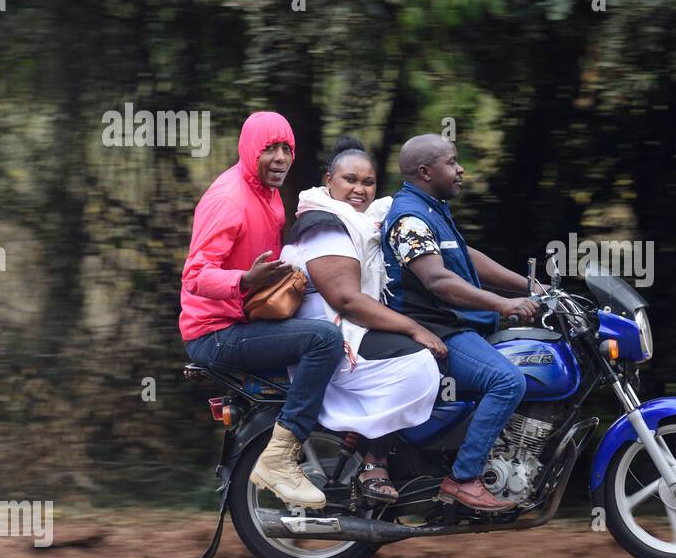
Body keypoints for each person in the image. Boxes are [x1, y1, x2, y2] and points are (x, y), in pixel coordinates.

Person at [180, 111, 341, 510]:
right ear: (251, 150)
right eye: (270, 148)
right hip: (214, 334)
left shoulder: (267, 195)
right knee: (325, 340)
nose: (281, 157)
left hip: (245, 318)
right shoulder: (228, 200)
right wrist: (244, 281)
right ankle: (278, 461)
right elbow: (196, 276)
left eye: (287, 148)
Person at [382, 133, 543, 512]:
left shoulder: (432, 209)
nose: (460, 169)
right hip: (435, 330)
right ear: (425, 171)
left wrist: (532, 286)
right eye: (452, 162)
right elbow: (439, 281)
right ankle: (464, 479)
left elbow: (467, 259)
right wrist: (504, 304)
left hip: (454, 325)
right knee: (506, 381)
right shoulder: (409, 218)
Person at [280, 140, 444, 503]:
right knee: (417, 362)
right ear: (329, 181)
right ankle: (374, 461)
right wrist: (414, 328)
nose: (359, 189)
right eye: (349, 179)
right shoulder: (324, 224)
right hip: (333, 334)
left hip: (348, 328)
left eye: (367, 182)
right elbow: (346, 300)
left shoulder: (364, 223)